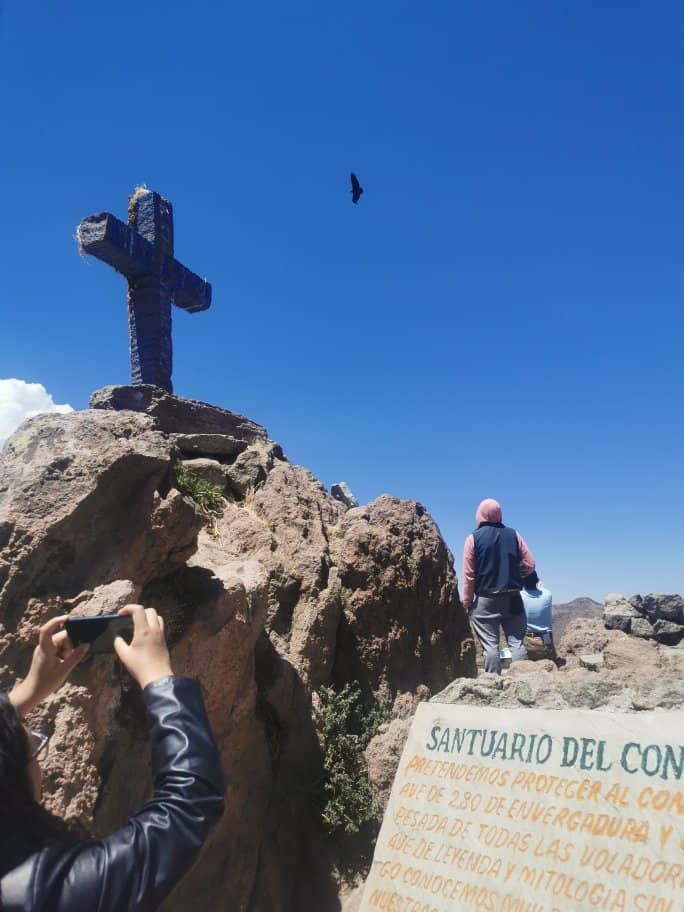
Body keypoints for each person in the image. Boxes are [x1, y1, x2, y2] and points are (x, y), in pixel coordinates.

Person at [0, 604, 225, 912]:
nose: (39, 760)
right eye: (34, 748)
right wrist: (158, 678)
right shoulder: (49, 894)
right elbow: (189, 802)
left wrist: (22, 697)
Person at [462, 498, 535, 675]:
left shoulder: (473, 538)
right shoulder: (514, 534)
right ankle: (523, 682)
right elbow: (530, 564)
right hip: (514, 598)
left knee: (490, 647)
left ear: (480, 514)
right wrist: (516, 574)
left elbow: (469, 575)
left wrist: (467, 601)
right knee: (517, 643)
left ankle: (494, 685)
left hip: (487, 599)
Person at [520, 570, 558, 662]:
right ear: (536, 581)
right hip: (546, 639)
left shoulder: (519, 596)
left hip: (528, 640)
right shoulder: (547, 594)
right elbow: (541, 588)